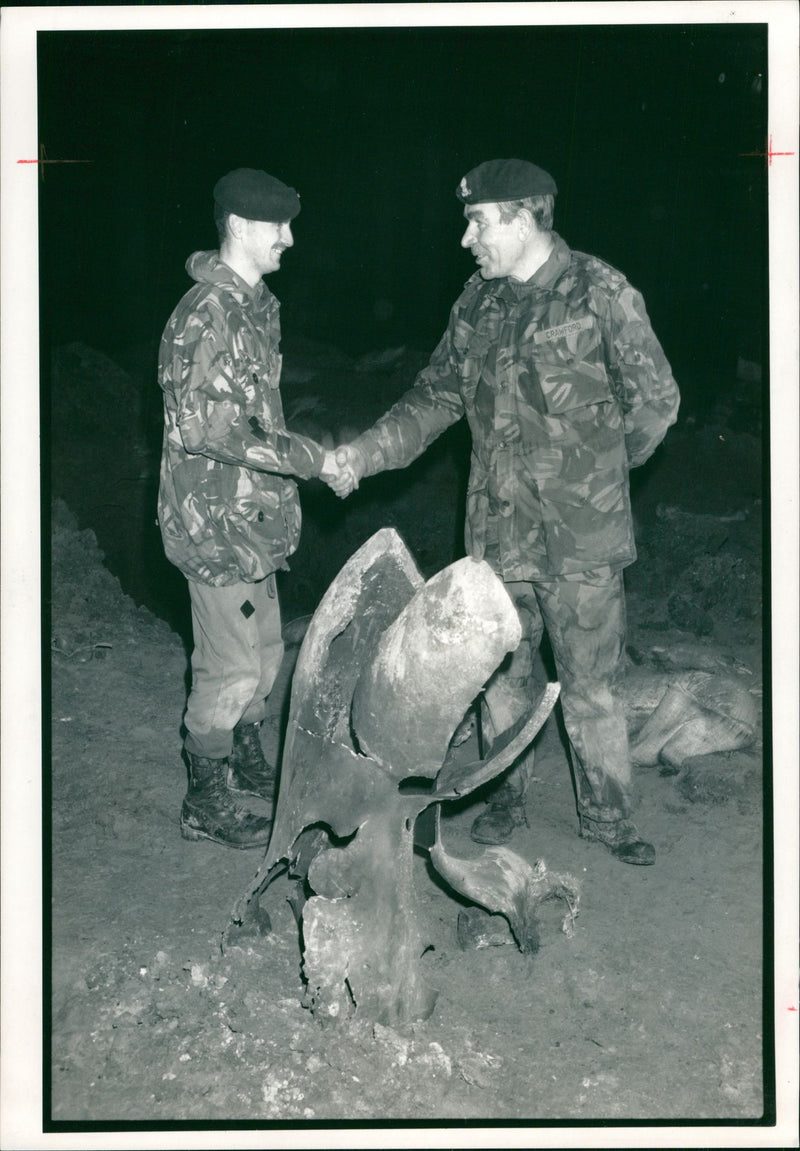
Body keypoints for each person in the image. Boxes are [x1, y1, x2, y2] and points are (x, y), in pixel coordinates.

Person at [329, 158, 680, 865]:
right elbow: (433, 398)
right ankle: (506, 798)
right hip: (497, 536)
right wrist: (363, 454)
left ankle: (608, 816)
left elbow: (656, 403)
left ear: (525, 218)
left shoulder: (601, 293)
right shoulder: (477, 306)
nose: (467, 238)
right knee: (501, 679)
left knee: (592, 687)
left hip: (582, 540)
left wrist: (597, 482)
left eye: (480, 221)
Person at [158, 167, 341, 849]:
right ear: (237, 224)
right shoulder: (205, 315)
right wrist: (308, 458)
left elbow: (256, 414)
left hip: (251, 522)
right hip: (215, 527)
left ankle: (245, 758)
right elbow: (210, 429)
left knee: (264, 656)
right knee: (229, 668)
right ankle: (204, 801)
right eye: (277, 225)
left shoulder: (255, 306)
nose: (289, 238)